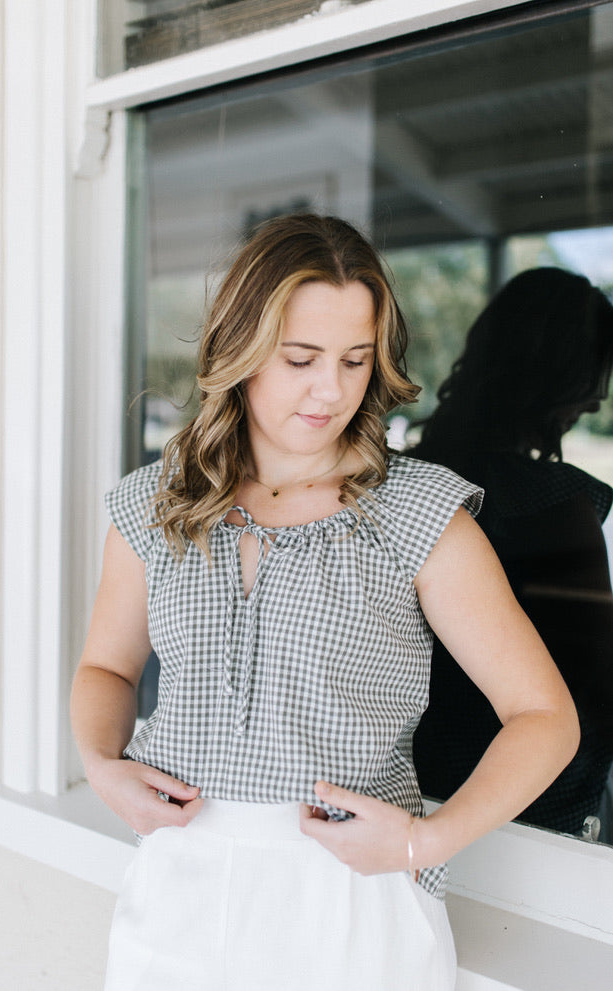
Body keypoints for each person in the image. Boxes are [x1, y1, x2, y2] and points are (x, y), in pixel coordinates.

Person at [70, 215, 579, 990]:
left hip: (350, 904)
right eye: (301, 358)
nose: (331, 389)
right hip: (176, 897)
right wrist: (100, 766)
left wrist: (425, 842)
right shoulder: (154, 506)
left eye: (355, 359)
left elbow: (544, 718)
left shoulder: (417, 516)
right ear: (237, 351)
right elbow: (106, 666)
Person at [411, 267, 613, 837]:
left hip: (413, 782)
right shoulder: (554, 505)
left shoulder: (405, 481)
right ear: (553, 374)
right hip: (528, 802)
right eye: (590, 377)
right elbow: (598, 687)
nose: (596, 402)